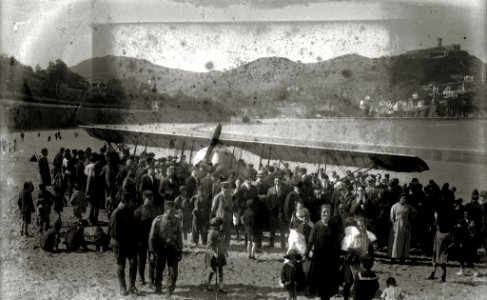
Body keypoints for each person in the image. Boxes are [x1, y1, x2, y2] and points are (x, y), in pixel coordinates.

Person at [305, 203, 341, 300]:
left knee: (328, 283)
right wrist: (306, 253)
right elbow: (310, 241)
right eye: (324, 212)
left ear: (330, 213)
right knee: (318, 283)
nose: (326, 214)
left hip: (330, 258)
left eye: (327, 212)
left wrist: (338, 255)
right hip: (319, 257)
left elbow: (337, 242)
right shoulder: (316, 225)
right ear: (321, 213)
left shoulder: (333, 225)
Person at [148, 200, 183, 296]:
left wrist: (180, 250)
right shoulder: (158, 220)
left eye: (174, 210)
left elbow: (179, 236)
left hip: (172, 248)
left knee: (173, 272)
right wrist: (151, 251)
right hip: (160, 248)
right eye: (170, 211)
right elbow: (151, 237)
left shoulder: (177, 220)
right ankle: (158, 286)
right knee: (159, 268)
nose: (172, 213)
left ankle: (169, 288)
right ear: (165, 210)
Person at [110, 193, 139, 295]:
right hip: (119, 244)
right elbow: (113, 232)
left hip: (129, 243)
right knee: (121, 265)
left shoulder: (130, 211)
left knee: (134, 262)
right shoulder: (116, 213)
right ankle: (123, 287)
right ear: (125, 202)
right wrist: (125, 241)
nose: (133, 203)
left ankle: (132, 285)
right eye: (132, 201)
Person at [134, 190, 163, 287]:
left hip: (154, 240)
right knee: (141, 260)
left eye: (152, 199)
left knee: (153, 260)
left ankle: (151, 280)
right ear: (144, 199)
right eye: (149, 199)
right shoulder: (138, 211)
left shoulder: (157, 210)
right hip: (142, 240)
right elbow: (135, 227)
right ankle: (141, 278)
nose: (151, 201)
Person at [387, 193, 417, 263]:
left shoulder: (408, 206)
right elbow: (391, 217)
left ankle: (402, 257)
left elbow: (415, 211)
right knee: (395, 241)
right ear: (399, 198)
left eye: (405, 198)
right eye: (403, 198)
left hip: (405, 224)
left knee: (404, 241)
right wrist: (394, 224)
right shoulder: (394, 206)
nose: (404, 200)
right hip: (397, 225)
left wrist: (411, 217)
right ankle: (393, 257)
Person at [205, 217, 227, 293]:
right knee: (213, 270)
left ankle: (221, 287)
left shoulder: (220, 232)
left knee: (220, 270)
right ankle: (208, 283)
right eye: (220, 225)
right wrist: (214, 253)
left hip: (220, 254)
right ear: (216, 225)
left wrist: (225, 251)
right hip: (213, 255)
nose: (221, 226)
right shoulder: (211, 233)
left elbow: (222, 243)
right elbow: (208, 246)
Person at [211, 182, 234, 253]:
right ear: (221, 188)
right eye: (224, 188)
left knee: (228, 232)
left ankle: (226, 246)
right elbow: (213, 208)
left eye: (227, 188)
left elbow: (232, 206)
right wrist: (217, 215)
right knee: (220, 233)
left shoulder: (230, 196)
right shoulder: (218, 196)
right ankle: (220, 247)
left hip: (228, 217)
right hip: (220, 218)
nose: (226, 190)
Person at [266, 177, 289, 249]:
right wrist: (270, 209)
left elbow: (286, 202)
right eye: (276, 181)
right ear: (274, 182)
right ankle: (271, 244)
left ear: (281, 181)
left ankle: (283, 244)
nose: (277, 182)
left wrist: (284, 210)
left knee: (282, 229)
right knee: (272, 229)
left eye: (279, 181)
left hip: (281, 212)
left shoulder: (284, 191)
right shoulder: (270, 190)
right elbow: (267, 200)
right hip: (273, 213)